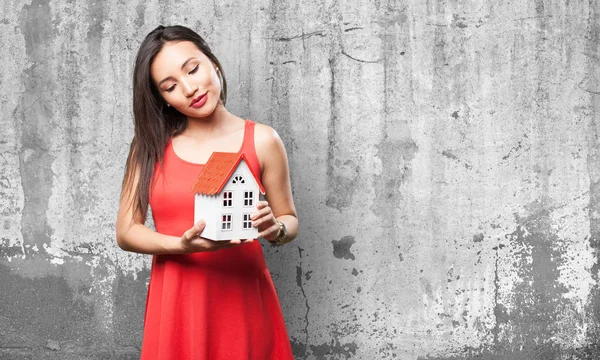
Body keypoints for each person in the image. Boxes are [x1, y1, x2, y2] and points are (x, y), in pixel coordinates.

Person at [115, 25, 298, 359]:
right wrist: (180, 246)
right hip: (176, 305)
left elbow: (289, 219)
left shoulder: (263, 140)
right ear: (162, 98)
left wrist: (277, 229)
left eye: (193, 69)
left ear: (212, 61)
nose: (189, 89)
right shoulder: (149, 147)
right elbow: (126, 232)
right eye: (170, 87)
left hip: (243, 300)